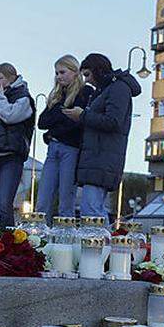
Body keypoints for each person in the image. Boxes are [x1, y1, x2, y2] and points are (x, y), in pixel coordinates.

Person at [64, 53, 142, 221]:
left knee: (91, 209)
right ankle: (101, 244)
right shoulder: (108, 89)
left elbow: (114, 121)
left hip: (102, 157)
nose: (86, 81)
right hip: (98, 157)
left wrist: (83, 116)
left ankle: (100, 245)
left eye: (87, 75)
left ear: (98, 71)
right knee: (93, 209)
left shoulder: (118, 88)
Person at [36, 56, 94, 218]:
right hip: (53, 149)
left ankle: (65, 239)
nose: (58, 76)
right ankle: (40, 238)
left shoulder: (86, 92)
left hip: (71, 150)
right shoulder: (57, 95)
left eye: (62, 72)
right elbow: (42, 122)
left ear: (75, 72)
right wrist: (62, 115)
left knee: (66, 201)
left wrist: (54, 128)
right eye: (56, 73)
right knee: (42, 200)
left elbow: (77, 124)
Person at [0, 63, 35, 228]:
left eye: (0, 78)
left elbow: (10, 115)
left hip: (11, 155)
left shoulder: (23, 97)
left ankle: (8, 242)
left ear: (12, 78)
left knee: (4, 204)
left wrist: (0, 97)